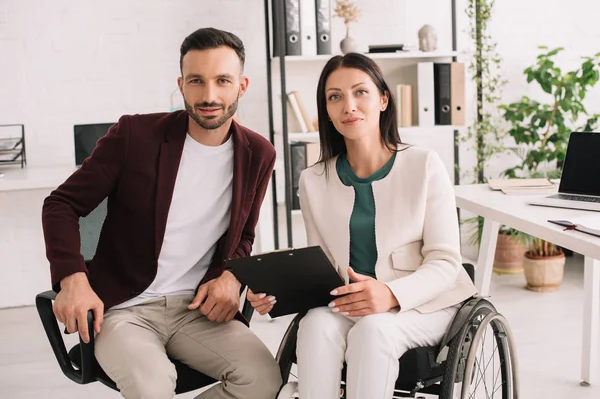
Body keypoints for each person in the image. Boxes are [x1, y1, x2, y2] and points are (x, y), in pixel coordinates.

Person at [42, 27, 282, 399]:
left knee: (264, 379)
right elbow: (61, 204)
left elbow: (244, 235)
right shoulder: (134, 136)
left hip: (196, 309)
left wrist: (231, 276)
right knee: (152, 386)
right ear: (181, 84)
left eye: (223, 81)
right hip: (124, 310)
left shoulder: (258, 153)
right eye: (196, 81)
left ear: (242, 85)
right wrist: (73, 278)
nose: (209, 95)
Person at [248, 53, 477, 399]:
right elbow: (321, 266)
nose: (348, 106)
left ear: (383, 99)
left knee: (373, 330)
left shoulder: (424, 165)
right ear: (326, 109)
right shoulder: (313, 180)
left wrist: (389, 294)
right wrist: (276, 291)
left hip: (424, 303)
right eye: (335, 96)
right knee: (314, 326)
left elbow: (446, 263)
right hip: (350, 303)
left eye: (360, 92)